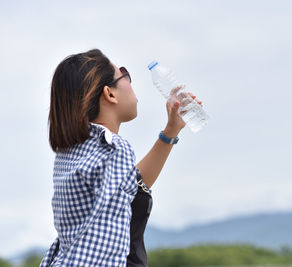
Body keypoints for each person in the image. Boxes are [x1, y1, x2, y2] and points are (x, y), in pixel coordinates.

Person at [39, 48, 202, 266]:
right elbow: (107, 245)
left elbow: (131, 186)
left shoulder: (72, 152)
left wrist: (171, 130)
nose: (131, 83)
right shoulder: (114, 149)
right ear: (110, 93)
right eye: (124, 74)